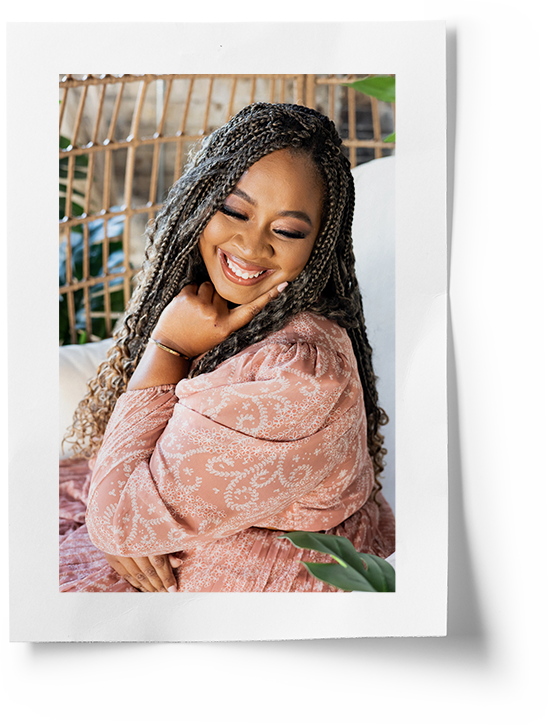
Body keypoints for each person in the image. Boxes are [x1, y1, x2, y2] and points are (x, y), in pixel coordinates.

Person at [59, 102, 395, 593]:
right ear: (201, 201)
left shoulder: (299, 375)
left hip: (252, 594)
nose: (252, 246)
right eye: (235, 210)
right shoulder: (231, 318)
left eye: (287, 230)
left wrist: (169, 347)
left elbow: (120, 522)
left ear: (319, 243)